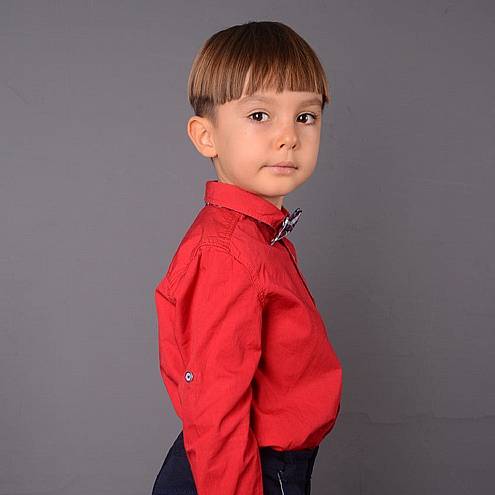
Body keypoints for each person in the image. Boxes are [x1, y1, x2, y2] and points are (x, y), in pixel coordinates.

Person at [152, 20, 343, 495]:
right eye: (260, 115)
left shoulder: (258, 238)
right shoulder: (227, 252)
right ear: (206, 136)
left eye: (306, 116)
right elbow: (215, 410)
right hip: (244, 469)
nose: (288, 137)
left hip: (268, 462)